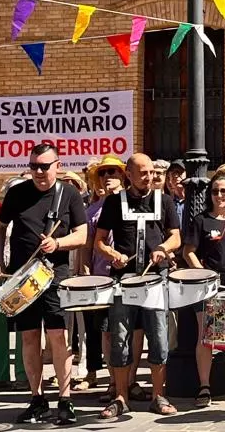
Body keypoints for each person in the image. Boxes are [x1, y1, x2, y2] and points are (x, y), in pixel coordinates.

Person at [0, 143, 87, 424]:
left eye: (45, 166)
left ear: (58, 164)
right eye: (34, 166)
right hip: (22, 277)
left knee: (58, 336)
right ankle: (37, 398)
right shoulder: (17, 193)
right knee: (29, 337)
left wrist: (57, 243)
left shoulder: (68, 194)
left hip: (55, 275)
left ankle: (65, 399)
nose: (40, 171)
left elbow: (81, 235)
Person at [94, 153, 182, 419]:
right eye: (143, 173)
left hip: (156, 279)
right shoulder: (113, 203)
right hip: (125, 280)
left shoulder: (164, 201)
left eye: (152, 173)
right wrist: (113, 256)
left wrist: (162, 249)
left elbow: (176, 237)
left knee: (158, 336)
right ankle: (121, 397)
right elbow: (98, 242)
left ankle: (158, 395)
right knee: (120, 337)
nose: (149, 177)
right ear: (128, 175)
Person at [182, 168, 225, 406]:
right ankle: (204, 386)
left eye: (224, 191)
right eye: (215, 191)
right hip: (207, 288)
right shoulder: (201, 221)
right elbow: (188, 251)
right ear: (209, 194)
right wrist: (203, 273)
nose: (219, 195)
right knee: (206, 337)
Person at [76, 156, 124, 392]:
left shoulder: (130, 203)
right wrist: (84, 270)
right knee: (100, 329)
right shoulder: (92, 209)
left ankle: (124, 379)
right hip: (99, 274)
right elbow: (86, 245)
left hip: (126, 275)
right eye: (103, 173)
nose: (107, 177)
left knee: (125, 330)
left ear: (123, 176)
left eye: (112, 172)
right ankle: (106, 379)